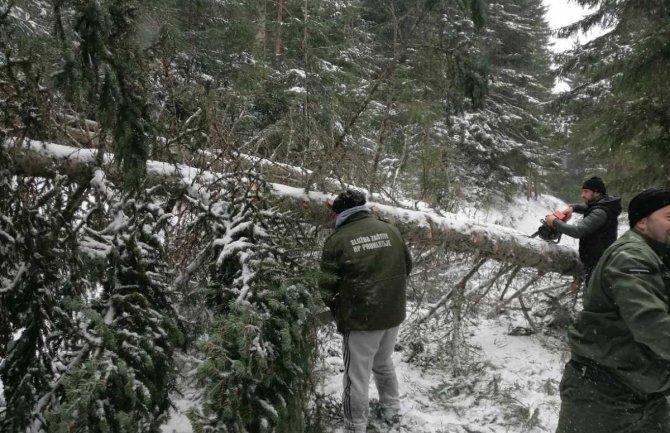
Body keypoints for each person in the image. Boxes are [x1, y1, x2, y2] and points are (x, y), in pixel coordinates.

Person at [555, 186, 670, 433]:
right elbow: (650, 323)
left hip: (647, 393)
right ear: (642, 223)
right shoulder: (632, 257)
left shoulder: (657, 253)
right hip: (603, 393)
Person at [319, 189, 412, 433]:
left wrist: (341, 312)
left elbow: (326, 287)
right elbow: (407, 266)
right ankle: (392, 410)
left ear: (339, 214)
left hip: (361, 319)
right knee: (383, 362)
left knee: (355, 375)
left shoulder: (337, 241)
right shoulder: (390, 229)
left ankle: (355, 426)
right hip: (392, 312)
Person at [545, 176, 622, 284]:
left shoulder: (600, 213)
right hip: (598, 262)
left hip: (598, 266)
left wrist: (554, 221)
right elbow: (589, 207)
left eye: (586, 192)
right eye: (582, 191)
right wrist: (573, 208)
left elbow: (577, 231)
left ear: (597, 193)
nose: (582, 195)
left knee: (593, 298)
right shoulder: (604, 204)